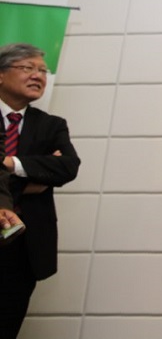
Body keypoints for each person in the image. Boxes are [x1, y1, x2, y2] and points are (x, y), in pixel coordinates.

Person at [0, 42, 80, 338]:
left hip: (24, 245)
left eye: (43, 71)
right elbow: (49, 171)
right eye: (28, 68)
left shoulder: (51, 125)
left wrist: (9, 163)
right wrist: (33, 175)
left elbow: (68, 167)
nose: (38, 76)